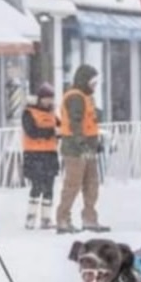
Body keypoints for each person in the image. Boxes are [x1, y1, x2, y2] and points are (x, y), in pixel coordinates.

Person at [56, 64, 109, 234]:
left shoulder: (86, 97)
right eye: (92, 81)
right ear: (84, 80)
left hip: (87, 147)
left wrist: (94, 143)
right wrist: (83, 144)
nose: (95, 85)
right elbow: (75, 123)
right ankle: (63, 219)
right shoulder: (75, 97)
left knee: (91, 184)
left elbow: (89, 122)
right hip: (75, 148)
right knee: (73, 184)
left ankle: (90, 219)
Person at [21, 83, 60, 230]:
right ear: (39, 98)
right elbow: (32, 131)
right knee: (36, 186)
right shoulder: (29, 112)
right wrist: (52, 132)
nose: (48, 101)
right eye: (46, 98)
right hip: (34, 154)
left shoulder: (52, 114)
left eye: (51, 98)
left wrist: (59, 132)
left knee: (49, 186)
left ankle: (46, 218)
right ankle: (30, 218)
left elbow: (60, 127)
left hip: (50, 153)